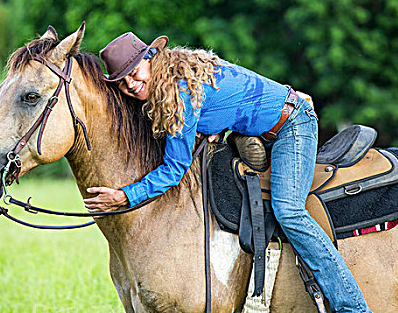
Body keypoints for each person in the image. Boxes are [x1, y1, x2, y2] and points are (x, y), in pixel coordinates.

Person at [85, 32, 372, 312]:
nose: (131, 85)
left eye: (134, 73)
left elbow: (174, 170)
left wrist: (125, 196)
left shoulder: (180, 93)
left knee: (289, 212)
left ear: (150, 58)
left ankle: (353, 306)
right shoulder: (179, 71)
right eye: (122, 83)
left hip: (292, 125)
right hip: (264, 123)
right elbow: (223, 98)